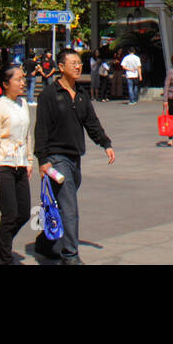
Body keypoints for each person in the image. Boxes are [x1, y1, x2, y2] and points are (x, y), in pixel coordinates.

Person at [34, 48, 115, 265]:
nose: (78, 66)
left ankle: (44, 243)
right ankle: (70, 256)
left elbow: (91, 122)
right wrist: (43, 159)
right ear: (61, 67)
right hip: (56, 158)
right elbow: (40, 129)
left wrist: (105, 143)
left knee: (62, 204)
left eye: (80, 63)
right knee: (70, 207)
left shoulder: (81, 94)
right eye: (73, 63)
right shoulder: (49, 95)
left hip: (74, 158)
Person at [0, 64, 32, 265]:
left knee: (23, 213)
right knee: (10, 214)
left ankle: (0, 245)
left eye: (23, 78)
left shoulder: (23, 104)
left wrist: (30, 160)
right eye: (18, 79)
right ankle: (4, 258)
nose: (23, 82)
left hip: (21, 164)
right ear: (6, 84)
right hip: (4, 165)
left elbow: (28, 133)